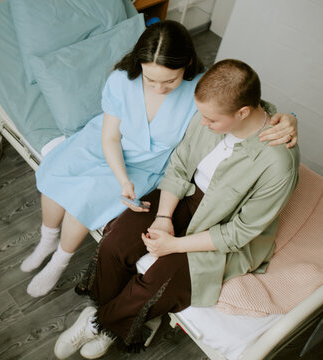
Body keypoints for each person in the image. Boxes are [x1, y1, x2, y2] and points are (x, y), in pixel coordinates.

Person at [22, 20, 298, 298]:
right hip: (105, 144)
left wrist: (287, 118)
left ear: (187, 65)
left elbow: (242, 103)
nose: (159, 88)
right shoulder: (121, 80)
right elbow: (110, 138)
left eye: (169, 81)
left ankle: (59, 260)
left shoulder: (199, 91)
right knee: (56, 174)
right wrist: (121, 178)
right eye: (150, 79)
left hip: (148, 165)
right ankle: (47, 239)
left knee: (84, 198)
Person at [54, 59, 300, 359]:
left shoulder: (277, 164)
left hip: (224, 229)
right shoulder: (208, 113)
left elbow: (239, 233)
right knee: (117, 241)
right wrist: (163, 217)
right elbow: (181, 165)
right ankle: (105, 314)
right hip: (184, 196)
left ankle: (99, 323)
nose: (203, 123)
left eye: (211, 120)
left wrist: (174, 245)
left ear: (243, 112)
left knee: (161, 281)